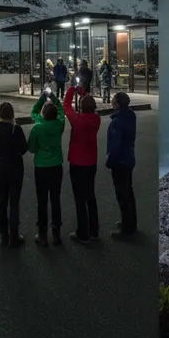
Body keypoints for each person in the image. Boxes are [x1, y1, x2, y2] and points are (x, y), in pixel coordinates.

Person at [27, 90, 65, 245]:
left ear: (42, 114)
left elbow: (31, 148)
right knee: (55, 199)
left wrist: (42, 97)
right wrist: (54, 98)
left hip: (41, 166)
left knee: (42, 200)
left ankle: (42, 234)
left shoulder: (37, 127)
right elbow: (61, 111)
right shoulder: (59, 124)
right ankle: (56, 232)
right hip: (56, 165)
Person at [64, 85, 101, 243]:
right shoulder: (96, 119)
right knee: (90, 196)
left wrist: (72, 90)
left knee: (79, 198)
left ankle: (82, 233)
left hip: (77, 163)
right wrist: (83, 93)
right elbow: (88, 104)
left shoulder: (77, 120)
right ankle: (94, 230)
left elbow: (66, 105)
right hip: (91, 162)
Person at [0, 101, 28, 246]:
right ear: (12, 114)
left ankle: (3, 234)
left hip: (0, 166)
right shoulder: (15, 129)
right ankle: (14, 235)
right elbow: (24, 148)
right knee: (14, 202)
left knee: (2, 200)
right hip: (15, 167)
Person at [106, 91, 137, 237]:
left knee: (122, 195)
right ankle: (131, 222)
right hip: (129, 158)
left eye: (113, 100)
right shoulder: (130, 116)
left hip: (120, 161)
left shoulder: (117, 122)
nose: (111, 101)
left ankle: (126, 229)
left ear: (117, 104)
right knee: (128, 192)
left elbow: (115, 146)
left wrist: (110, 161)